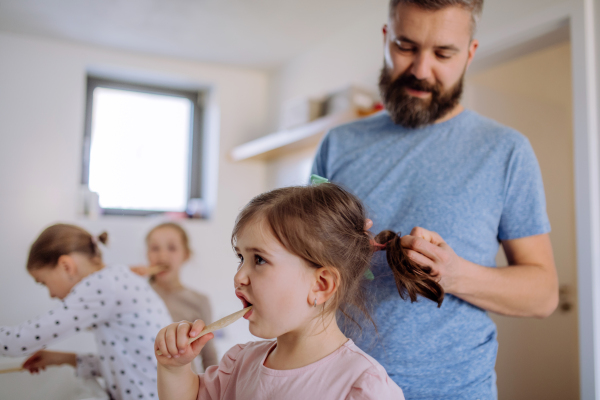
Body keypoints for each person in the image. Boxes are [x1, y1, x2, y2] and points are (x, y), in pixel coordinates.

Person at [311, 1, 559, 399]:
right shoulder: (337, 144)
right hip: (335, 387)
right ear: (385, 38)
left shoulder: (507, 151)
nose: (421, 70)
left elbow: (544, 294)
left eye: (443, 53)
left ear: (470, 53)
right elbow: (302, 260)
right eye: (405, 46)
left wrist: (456, 274)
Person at [153, 183, 442, 400]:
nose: (239, 276)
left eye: (260, 260)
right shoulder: (239, 364)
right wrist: (175, 369)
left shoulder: (363, 387)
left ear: (321, 285)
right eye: (241, 258)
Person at [0, 224, 172, 400]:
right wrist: (62, 359)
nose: (51, 294)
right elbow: (129, 364)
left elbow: (19, 342)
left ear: (66, 266)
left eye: (43, 282)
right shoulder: (117, 278)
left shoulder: (101, 285)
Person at [131, 223, 218, 372]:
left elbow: (209, 355)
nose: (162, 256)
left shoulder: (199, 301)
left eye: (171, 248)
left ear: (186, 255)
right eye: (155, 248)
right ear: (147, 254)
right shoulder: (134, 296)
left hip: (186, 387)